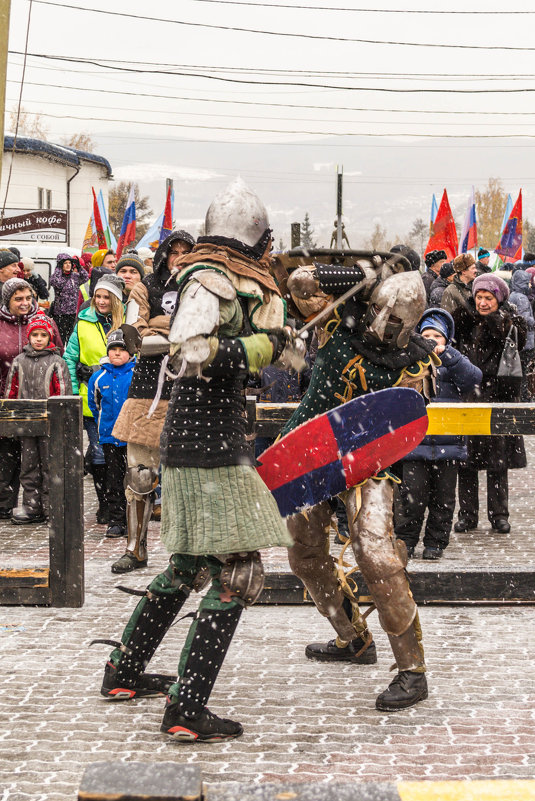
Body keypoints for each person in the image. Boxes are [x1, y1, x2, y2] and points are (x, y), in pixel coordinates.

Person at [94, 178, 294, 743]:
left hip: (204, 441)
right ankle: (186, 709)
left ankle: (124, 672)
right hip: (209, 450)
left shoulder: (233, 281)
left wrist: (277, 340)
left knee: (188, 567)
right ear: (253, 239)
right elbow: (190, 350)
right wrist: (264, 346)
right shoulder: (209, 278)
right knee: (236, 573)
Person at [281, 255, 438, 711]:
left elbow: (409, 420)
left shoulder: (417, 362)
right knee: (305, 554)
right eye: (380, 316)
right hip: (310, 449)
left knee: (376, 552)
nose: (384, 329)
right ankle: (353, 638)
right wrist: (361, 277)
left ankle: (412, 670)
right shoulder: (339, 323)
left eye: (396, 324)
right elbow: (298, 282)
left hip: (368, 462)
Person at [109, 229, 195, 574]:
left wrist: (163, 330)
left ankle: (186, 554)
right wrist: (175, 335)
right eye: (173, 252)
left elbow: (207, 332)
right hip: (148, 389)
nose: (179, 258)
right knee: (141, 475)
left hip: (191, 387)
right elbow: (134, 336)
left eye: (185, 252)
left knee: (186, 480)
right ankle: (135, 549)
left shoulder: (202, 287)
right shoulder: (146, 286)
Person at [394, 308, 481, 559]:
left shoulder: (453, 362)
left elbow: (473, 379)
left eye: (437, 336)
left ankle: (435, 543)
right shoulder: (411, 360)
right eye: (427, 335)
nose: (432, 340)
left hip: (448, 443)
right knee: (411, 498)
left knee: (444, 500)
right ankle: (406, 541)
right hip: (415, 443)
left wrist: (449, 356)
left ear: (446, 339)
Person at [452, 274, 527, 534]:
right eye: (479, 297)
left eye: (489, 298)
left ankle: (499, 515)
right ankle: (467, 515)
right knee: (466, 462)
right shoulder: (462, 322)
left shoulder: (510, 325)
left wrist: (497, 324)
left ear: (499, 299)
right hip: (468, 398)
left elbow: (518, 352)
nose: (483, 303)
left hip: (499, 398)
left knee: (498, 462)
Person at [64, 274, 126, 525]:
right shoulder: (82, 323)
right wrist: (71, 387)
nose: (101, 301)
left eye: (106, 297)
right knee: (100, 452)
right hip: (93, 398)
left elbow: (134, 356)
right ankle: (106, 505)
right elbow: (70, 357)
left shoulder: (126, 324)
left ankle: (121, 503)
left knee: (119, 455)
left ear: (116, 300)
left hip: (121, 398)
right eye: (97, 296)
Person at [0, 278, 62, 519]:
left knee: (34, 459)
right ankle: (5, 503)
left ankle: (39, 505)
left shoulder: (45, 323)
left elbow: (56, 354)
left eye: (28, 298)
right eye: (18, 299)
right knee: (6, 456)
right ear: (8, 301)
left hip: (38, 402)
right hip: (7, 397)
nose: (25, 303)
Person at [5, 313, 72, 524]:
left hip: (50, 424)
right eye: (35, 335)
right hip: (26, 425)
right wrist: (11, 421)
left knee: (51, 466)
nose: (39, 339)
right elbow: (11, 392)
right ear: (29, 337)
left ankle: (51, 507)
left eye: (43, 335)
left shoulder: (57, 362)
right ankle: (32, 506)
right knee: (29, 467)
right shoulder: (19, 361)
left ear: (50, 337)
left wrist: (62, 422)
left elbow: (63, 394)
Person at [87, 330, 135, 539]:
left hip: (133, 437)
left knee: (135, 479)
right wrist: (105, 425)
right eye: (113, 349)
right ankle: (116, 520)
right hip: (110, 437)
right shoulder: (99, 377)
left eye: (121, 350)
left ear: (130, 353)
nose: (116, 353)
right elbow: (95, 404)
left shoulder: (137, 374)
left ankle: (135, 518)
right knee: (113, 479)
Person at [49, 253, 89, 344]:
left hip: (72, 313)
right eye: (65, 263)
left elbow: (85, 277)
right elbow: (56, 283)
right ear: (60, 265)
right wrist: (59, 269)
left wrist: (79, 267)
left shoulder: (74, 276)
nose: (68, 265)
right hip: (60, 314)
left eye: (70, 263)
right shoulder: (57, 276)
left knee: (71, 339)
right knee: (60, 339)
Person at [509, 270, 535, 400]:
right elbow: (525, 319)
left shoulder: (513, 295)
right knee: (526, 372)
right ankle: (525, 398)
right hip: (527, 342)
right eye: (528, 282)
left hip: (520, 341)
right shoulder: (522, 298)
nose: (530, 285)